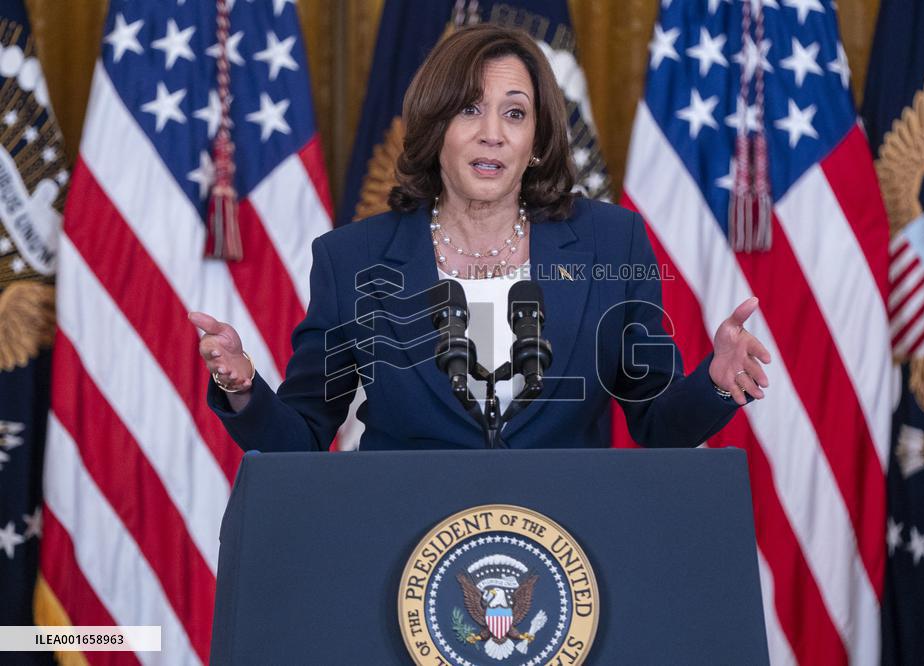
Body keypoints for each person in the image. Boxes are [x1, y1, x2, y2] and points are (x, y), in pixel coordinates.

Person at [189, 24, 771, 453]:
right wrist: (242, 389)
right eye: (470, 109)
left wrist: (715, 384)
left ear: (536, 140)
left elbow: (658, 424)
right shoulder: (352, 259)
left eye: (515, 114)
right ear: (435, 127)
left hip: (566, 546)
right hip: (406, 549)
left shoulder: (611, 243)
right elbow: (302, 436)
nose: (493, 133)